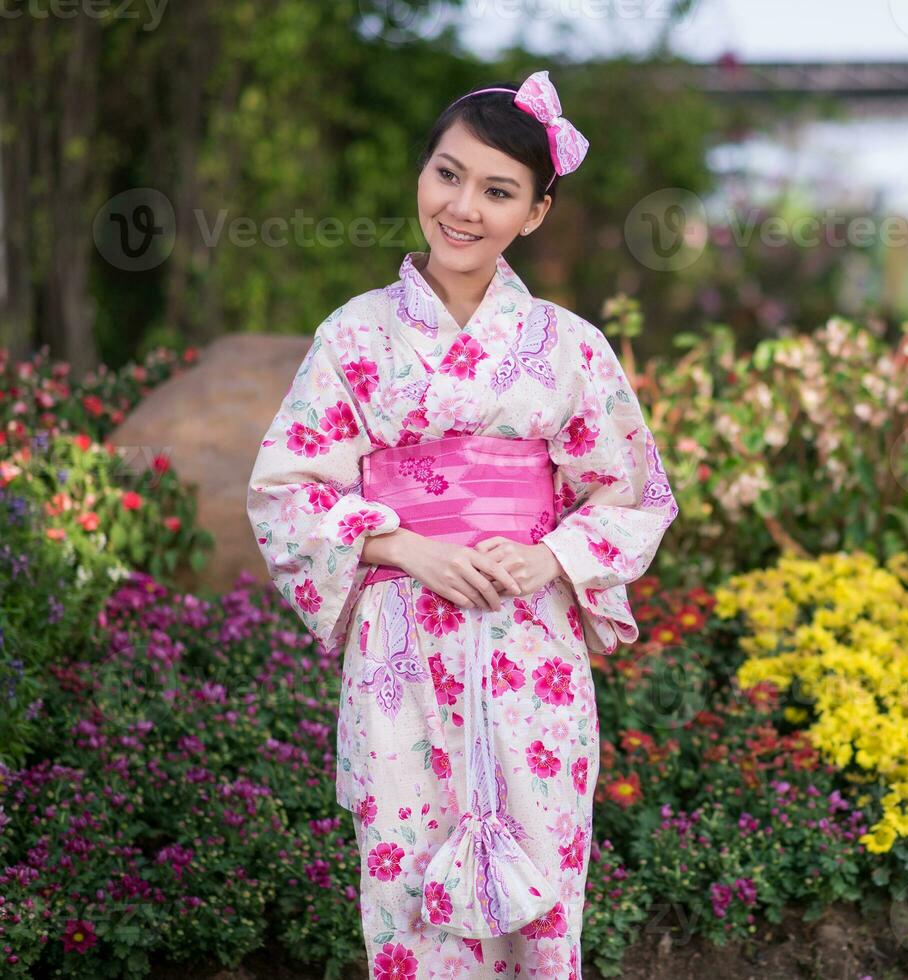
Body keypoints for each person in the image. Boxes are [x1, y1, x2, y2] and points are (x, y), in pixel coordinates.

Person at [245, 70, 677, 979]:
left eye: (498, 190)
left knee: (544, 876)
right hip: (400, 652)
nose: (463, 207)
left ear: (537, 212)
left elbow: (634, 494)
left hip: (530, 649)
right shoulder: (355, 337)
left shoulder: (570, 347)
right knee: (406, 887)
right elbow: (287, 490)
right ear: (422, 175)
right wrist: (402, 546)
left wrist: (549, 556)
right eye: (448, 174)